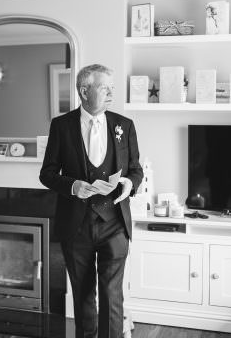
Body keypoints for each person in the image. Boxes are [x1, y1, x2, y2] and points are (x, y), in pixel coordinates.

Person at [39, 64, 143, 338]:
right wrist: (73, 186)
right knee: (83, 294)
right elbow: (47, 173)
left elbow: (136, 169)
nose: (111, 94)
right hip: (76, 225)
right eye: (104, 88)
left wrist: (129, 183)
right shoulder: (61, 126)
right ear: (84, 92)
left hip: (114, 223)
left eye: (112, 88)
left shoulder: (124, 125)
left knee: (112, 293)